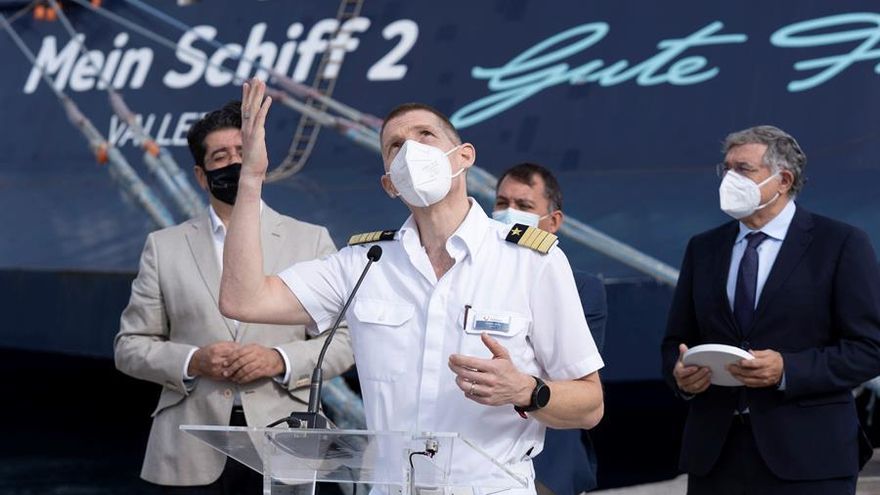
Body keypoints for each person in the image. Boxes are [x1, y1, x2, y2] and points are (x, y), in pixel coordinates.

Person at [219, 79, 605, 495]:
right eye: (395, 146)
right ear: (390, 182)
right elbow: (243, 299)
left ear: (464, 157)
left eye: (425, 135)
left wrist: (528, 390)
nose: (411, 150)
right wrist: (251, 180)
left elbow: (590, 405)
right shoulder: (364, 263)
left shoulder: (531, 262)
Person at [114, 100, 355, 494]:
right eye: (220, 156)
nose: (233, 163)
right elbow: (129, 347)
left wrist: (279, 359)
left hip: (289, 447)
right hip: (189, 449)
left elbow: (345, 340)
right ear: (200, 174)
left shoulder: (310, 240)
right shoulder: (163, 246)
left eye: (242, 153)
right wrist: (194, 360)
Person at [661, 125, 880, 494]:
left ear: (783, 180)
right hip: (717, 458)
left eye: (743, 169)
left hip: (810, 459)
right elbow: (675, 340)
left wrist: (787, 369)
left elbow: (870, 349)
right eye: (726, 168)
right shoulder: (703, 249)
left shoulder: (840, 244)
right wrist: (680, 375)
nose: (730, 178)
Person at [493, 162, 607, 494]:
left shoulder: (580, 288)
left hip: (545, 465)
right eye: (502, 203)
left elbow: (574, 380)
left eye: (524, 206)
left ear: (553, 221)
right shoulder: (469, 276)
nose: (509, 213)